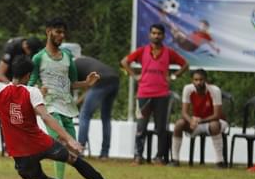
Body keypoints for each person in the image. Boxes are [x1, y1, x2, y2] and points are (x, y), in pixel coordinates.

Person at [0, 38, 126, 179]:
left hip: (20, 152)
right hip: (41, 144)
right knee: (75, 161)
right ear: (27, 75)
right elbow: (46, 117)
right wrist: (69, 139)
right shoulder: (32, 92)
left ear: (13, 73)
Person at [28, 18, 100, 179]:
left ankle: (38, 161)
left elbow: (71, 83)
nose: (61, 35)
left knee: (71, 150)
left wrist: (86, 83)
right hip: (49, 107)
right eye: (58, 31)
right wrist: (38, 90)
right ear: (48, 32)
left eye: (63, 32)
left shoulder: (67, 55)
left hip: (66, 107)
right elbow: (29, 84)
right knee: (61, 144)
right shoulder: (38, 58)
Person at [121, 23, 188, 164]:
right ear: (149, 35)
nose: (156, 36)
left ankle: (159, 157)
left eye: (159, 33)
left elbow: (185, 64)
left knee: (161, 128)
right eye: (154, 33)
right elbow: (125, 62)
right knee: (141, 126)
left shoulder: (169, 52)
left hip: (162, 94)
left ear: (163, 36)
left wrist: (173, 76)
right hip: (143, 94)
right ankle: (138, 156)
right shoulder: (142, 51)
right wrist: (135, 76)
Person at [171, 68, 228, 168]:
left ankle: (219, 161)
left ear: (205, 80)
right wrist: (191, 121)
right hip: (196, 122)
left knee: (214, 125)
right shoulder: (188, 89)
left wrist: (201, 120)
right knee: (179, 124)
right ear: (192, 80)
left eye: (201, 80)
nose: (198, 82)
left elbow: (217, 115)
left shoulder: (215, 90)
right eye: (196, 80)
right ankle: (175, 160)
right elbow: (184, 112)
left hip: (214, 122)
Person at [75, 55, 119, 160]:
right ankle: (104, 153)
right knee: (106, 117)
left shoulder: (71, 66)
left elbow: (71, 86)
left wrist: (74, 103)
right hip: (114, 78)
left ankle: (80, 150)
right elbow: (88, 89)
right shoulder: (83, 61)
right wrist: (77, 102)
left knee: (84, 115)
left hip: (101, 80)